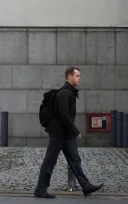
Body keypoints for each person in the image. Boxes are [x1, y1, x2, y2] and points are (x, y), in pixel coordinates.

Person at [34, 67, 104, 198]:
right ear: (69, 77)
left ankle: (86, 186)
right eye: (77, 76)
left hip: (66, 134)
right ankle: (40, 189)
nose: (79, 78)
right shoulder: (65, 93)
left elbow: (67, 116)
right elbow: (64, 115)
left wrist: (71, 132)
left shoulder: (70, 92)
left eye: (79, 76)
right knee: (50, 161)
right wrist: (76, 132)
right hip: (59, 134)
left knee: (75, 160)